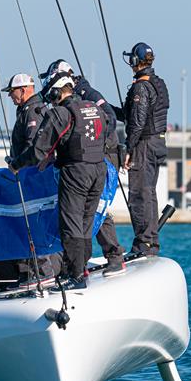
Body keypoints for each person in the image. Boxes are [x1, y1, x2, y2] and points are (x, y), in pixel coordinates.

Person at [8, 69, 107, 290]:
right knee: (85, 224)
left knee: (71, 225)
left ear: (55, 92)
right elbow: (107, 129)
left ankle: (75, 277)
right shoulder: (93, 108)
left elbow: (38, 151)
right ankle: (81, 271)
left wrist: (15, 165)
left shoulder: (61, 113)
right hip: (99, 170)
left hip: (76, 172)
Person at [48, 59, 126, 277]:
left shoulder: (85, 92)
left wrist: (90, 142)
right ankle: (76, 261)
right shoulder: (67, 99)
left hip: (101, 155)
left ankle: (114, 255)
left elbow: (109, 117)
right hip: (88, 157)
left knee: (96, 208)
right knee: (81, 211)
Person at [113, 42, 170, 257]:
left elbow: (136, 122)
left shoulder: (141, 88)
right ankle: (151, 241)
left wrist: (129, 148)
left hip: (144, 145)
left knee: (139, 194)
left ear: (135, 62)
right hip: (158, 142)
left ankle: (144, 243)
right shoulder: (158, 84)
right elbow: (133, 115)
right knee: (149, 193)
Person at [0, 73, 46, 290]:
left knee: (32, 224)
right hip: (24, 176)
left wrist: (18, 165)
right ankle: (27, 271)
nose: (10, 97)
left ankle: (40, 271)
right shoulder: (24, 110)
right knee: (23, 223)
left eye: (12, 92)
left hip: (31, 177)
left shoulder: (33, 110)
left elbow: (33, 147)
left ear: (24, 90)